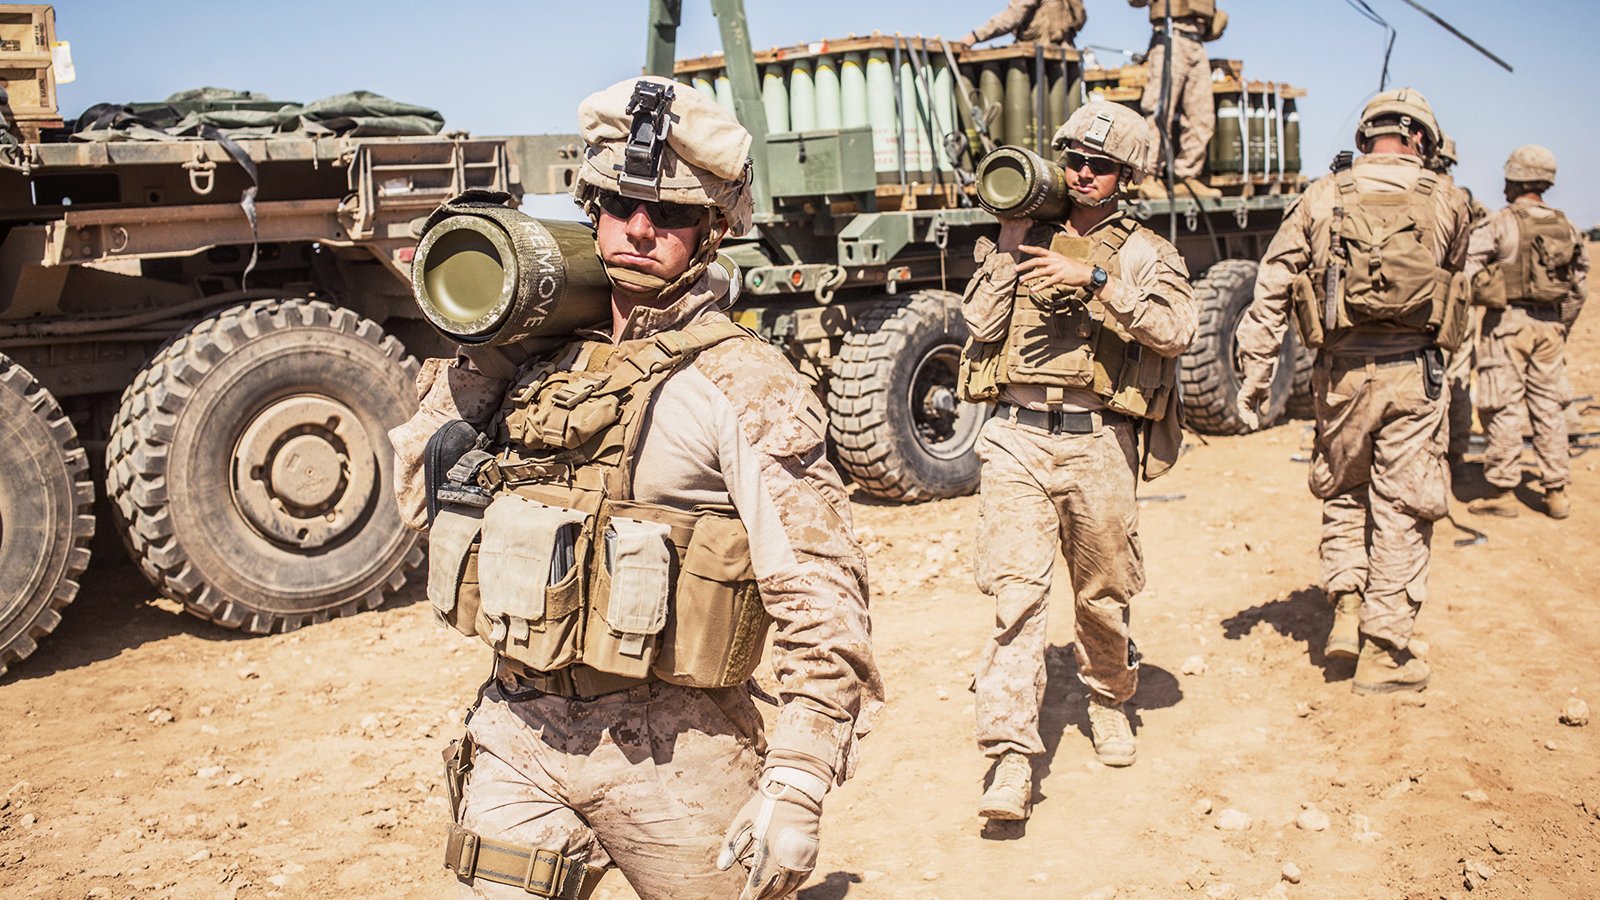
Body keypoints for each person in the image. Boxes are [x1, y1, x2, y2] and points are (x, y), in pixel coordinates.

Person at [389, 76, 882, 900]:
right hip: (520, 728)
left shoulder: (742, 381)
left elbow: (821, 585)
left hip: (676, 746)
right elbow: (416, 502)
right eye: (619, 202)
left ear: (714, 229)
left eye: (672, 212)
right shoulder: (529, 357)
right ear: (591, 209)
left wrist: (799, 775)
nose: (640, 227)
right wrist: (485, 360)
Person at [958, 100, 1196, 821]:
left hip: (1100, 441)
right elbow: (977, 325)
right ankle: (1009, 756)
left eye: (1102, 166)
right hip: (1017, 437)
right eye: (1076, 161)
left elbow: (1178, 330)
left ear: (1126, 176)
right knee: (1017, 598)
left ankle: (1108, 699)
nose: (1084, 174)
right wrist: (1010, 242)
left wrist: (1095, 281)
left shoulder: (1146, 252)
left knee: (1102, 594)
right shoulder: (1023, 238)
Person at [1234, 88, 1473, 695]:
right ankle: (1386, 648)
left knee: (1344, 488)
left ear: (1365, 137)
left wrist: (1256, 375)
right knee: (1403, 506)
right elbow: (1455, 282)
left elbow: (1273, 283)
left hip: (1339, 374)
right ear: (1421, 138)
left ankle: (1347, 601)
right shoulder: (1449, 198)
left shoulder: (1322, 195)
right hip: (1413, 373)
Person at [1466, 145, 1590, 519]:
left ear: (1515, 180)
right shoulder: (1565, 225)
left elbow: (1467, 272)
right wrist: (1560, 325)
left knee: (1502, 406)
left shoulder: (1500, 223)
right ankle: (1556, 491)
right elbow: (1579, 287)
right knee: (1549, 406)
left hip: (1507, 325)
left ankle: (1504, 490)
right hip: (1550, 325)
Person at [1426, 135, 1492, 476]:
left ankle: (1432, 454)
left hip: (1427, 304)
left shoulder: (1420, 196)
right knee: (1458, 379)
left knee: (1427, 380)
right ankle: (1456, 456)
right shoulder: (1466, 201)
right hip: (1461, 304)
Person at [1129, 0, 1227, 200]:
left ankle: (1186, 178)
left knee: (1202, 117)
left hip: (1197, 43)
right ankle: (1148, 176)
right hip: (1170, 37)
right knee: (1159, 111)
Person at [962, 0, 1087, 50]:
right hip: (1067, 53)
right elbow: (1080, 19)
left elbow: (1011, 18)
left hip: (1040, 56)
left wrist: (975, 36)